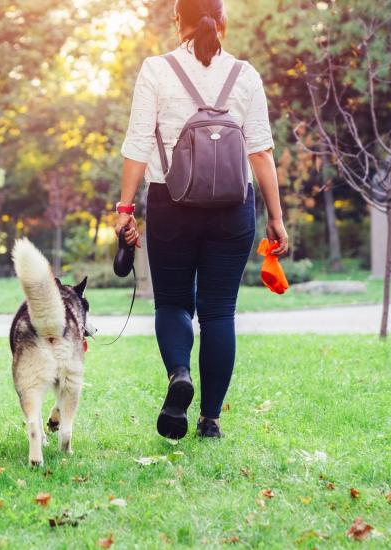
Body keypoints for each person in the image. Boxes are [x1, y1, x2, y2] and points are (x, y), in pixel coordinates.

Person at [114, 0, 289, 439]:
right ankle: (210, 420)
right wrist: (276, 217)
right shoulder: (245, 76)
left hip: (172, 202)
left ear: (179, 22)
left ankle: (179, 375)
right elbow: (260, 151)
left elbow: (137, 143)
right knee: (219, 313)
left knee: (172, 302)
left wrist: (124, 208)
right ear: (223, 22)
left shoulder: (156, 70)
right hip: (234, 208)